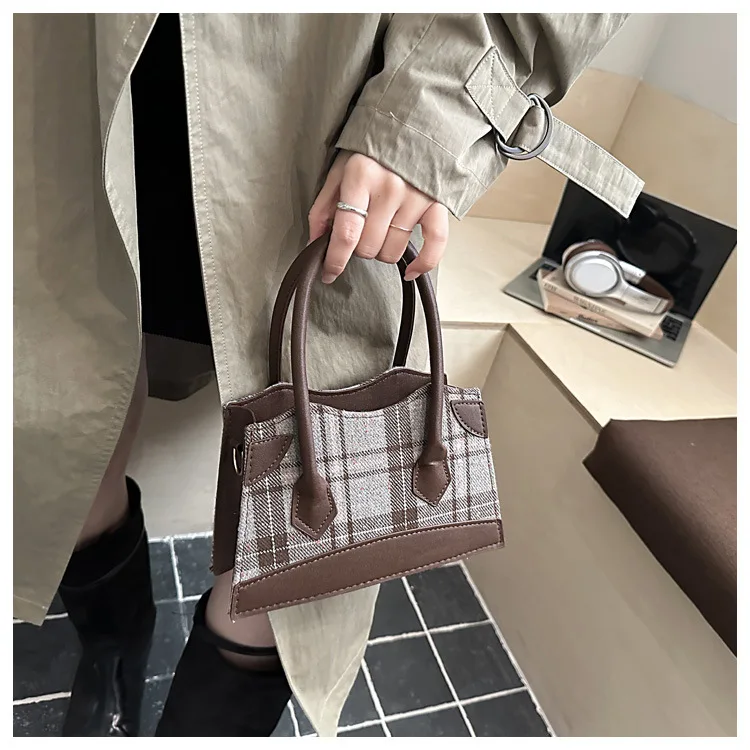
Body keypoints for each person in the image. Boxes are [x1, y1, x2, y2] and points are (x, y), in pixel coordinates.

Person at [13, 12, 635, 737]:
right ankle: (114, 653)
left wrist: (429, 114)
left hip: (327, 112)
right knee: (64, 427)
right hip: (93, 86)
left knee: (306, 564)